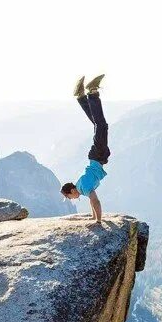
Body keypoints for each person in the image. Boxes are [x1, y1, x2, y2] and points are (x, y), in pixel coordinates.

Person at [61, 74, 109, 222]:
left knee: (101, 125)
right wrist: (93, 217)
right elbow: (91, 201)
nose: (72, 199)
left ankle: (92, 92)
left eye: (69, 197)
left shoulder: (85, 187)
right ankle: (82, 96)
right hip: (96, 156)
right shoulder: (81, 187)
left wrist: (98, 221)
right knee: (98, 125)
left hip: (98, 155)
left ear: (72, 191)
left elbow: (96, 201)